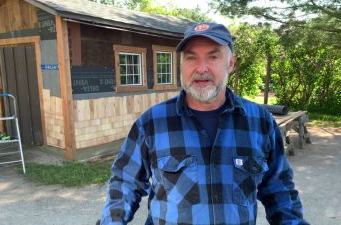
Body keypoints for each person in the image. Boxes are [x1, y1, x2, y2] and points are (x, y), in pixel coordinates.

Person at [100, 22, 309, 225]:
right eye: (191, 58)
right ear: (181, 65)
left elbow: (280, 191)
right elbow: (124, 182)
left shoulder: (260, 122)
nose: (201, 68)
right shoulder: (151, 123)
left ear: (230, 63)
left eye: (213, 56)